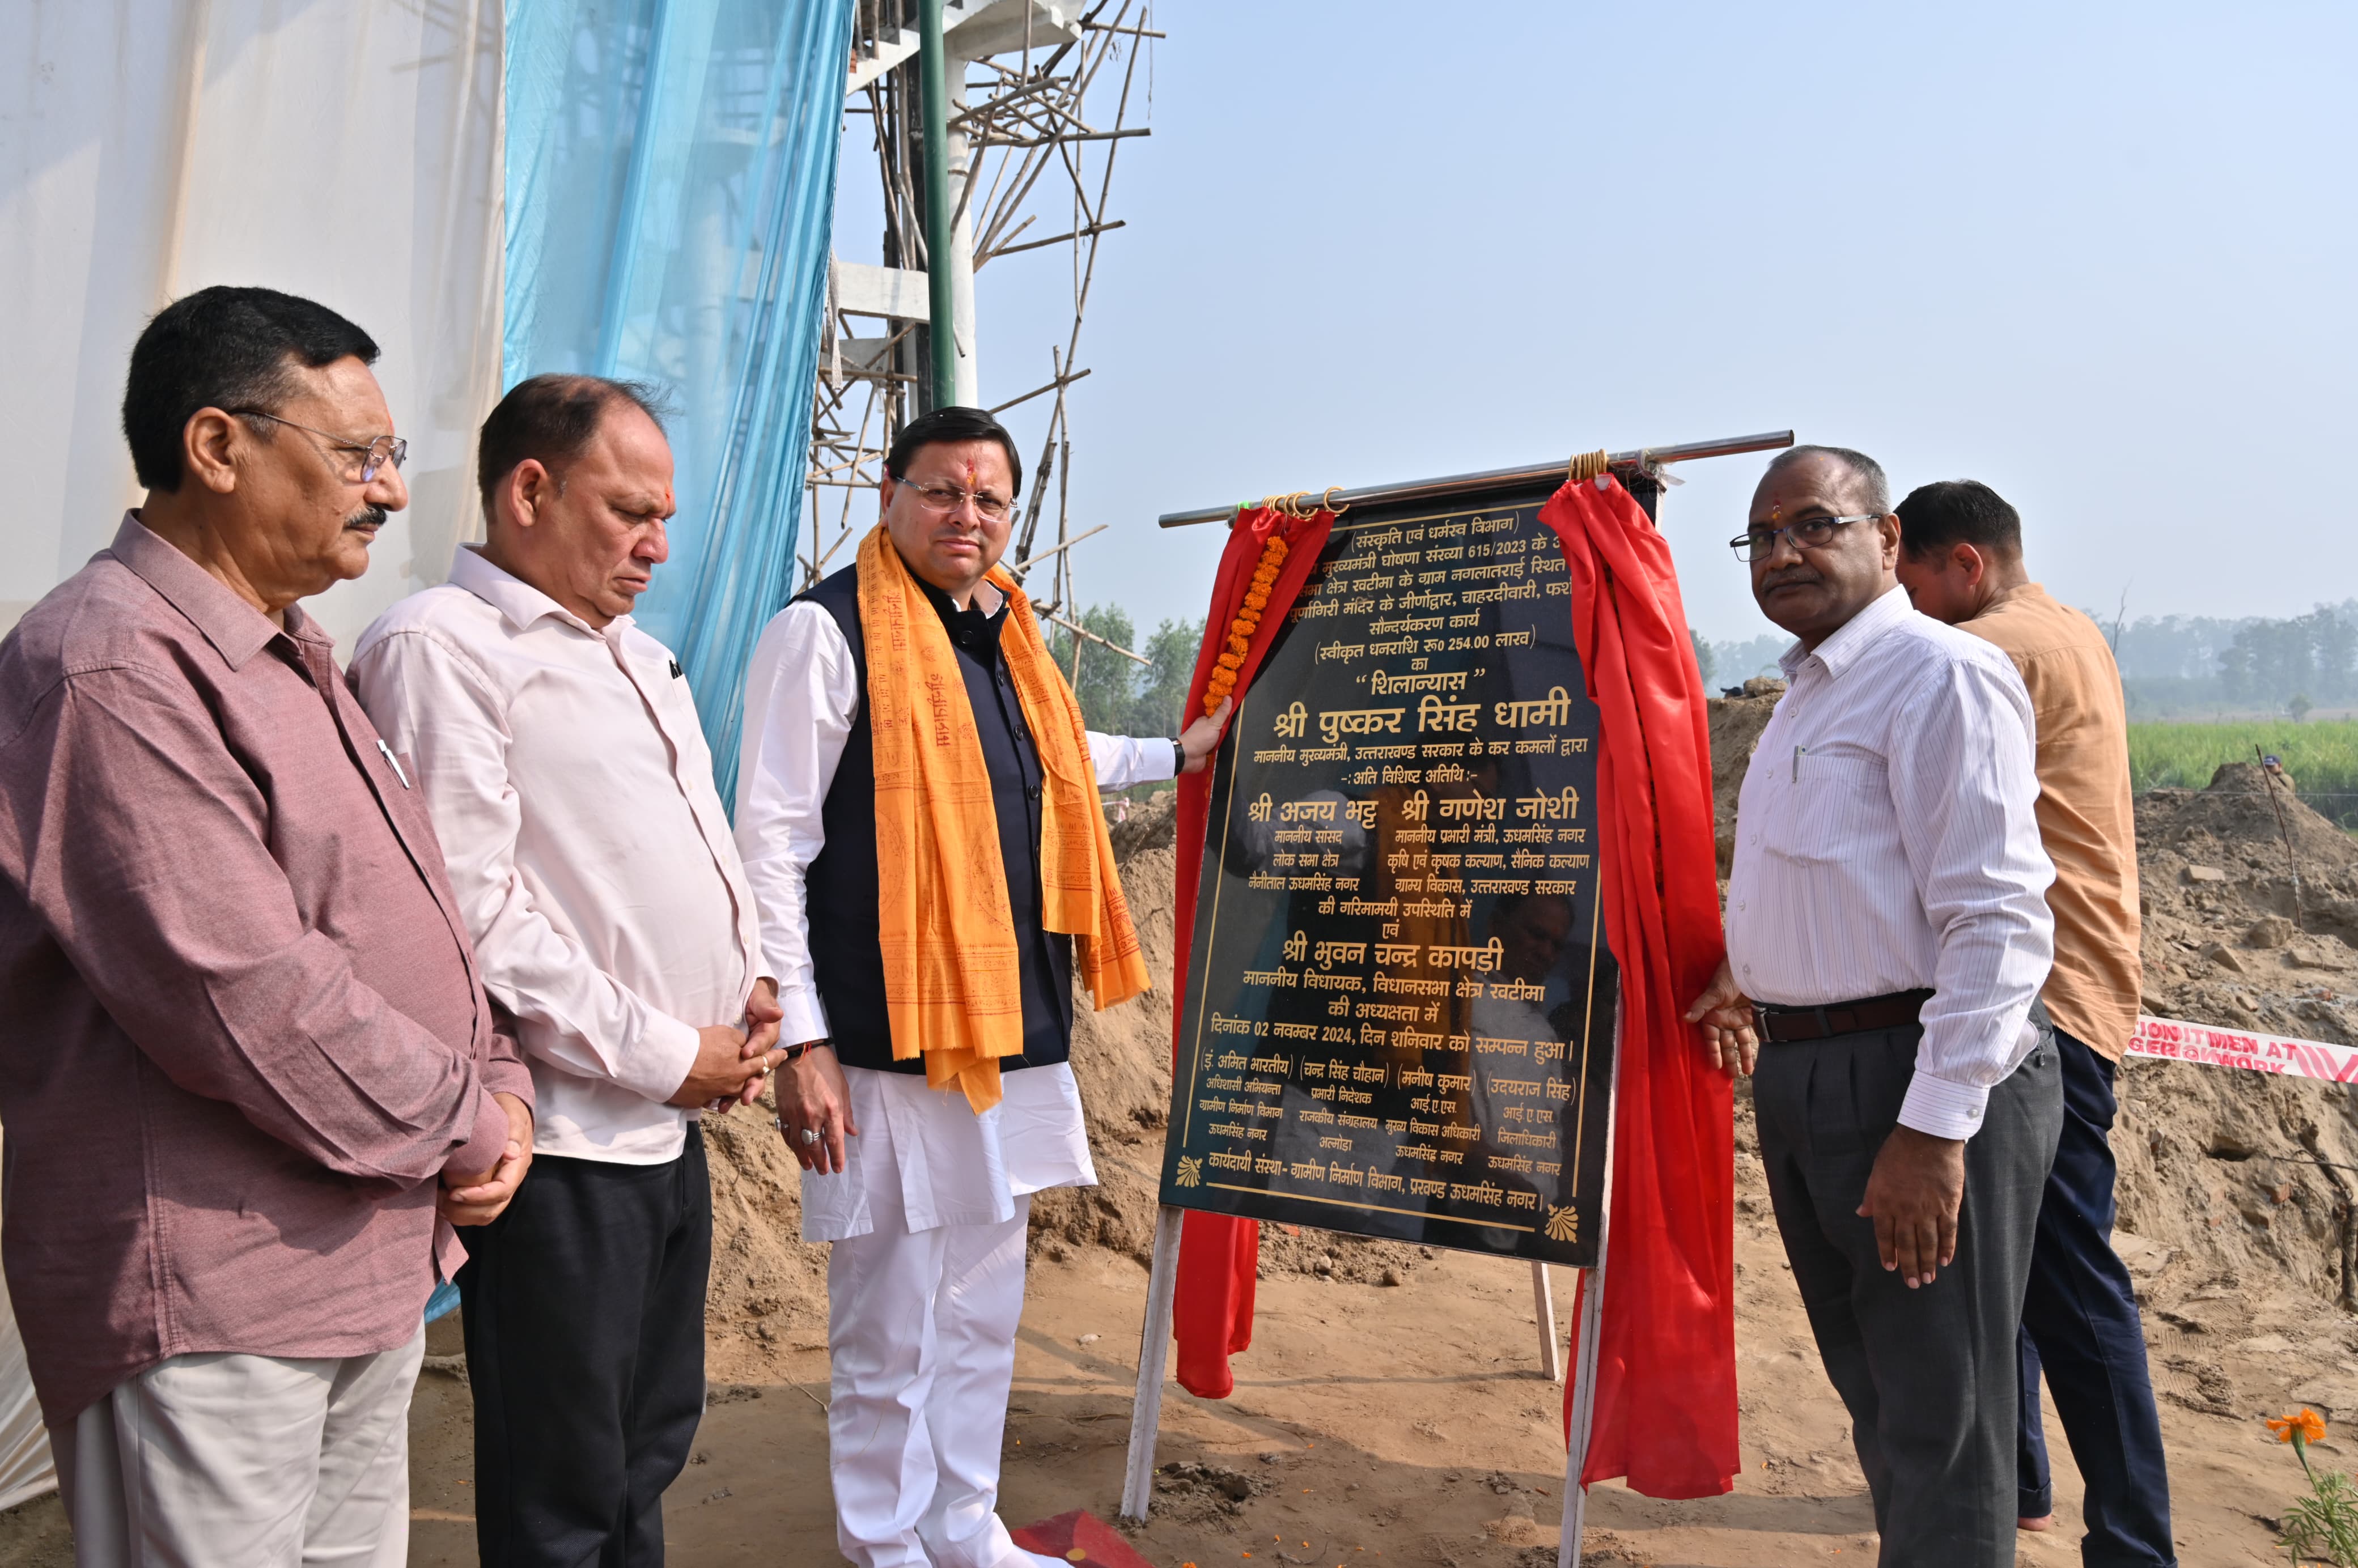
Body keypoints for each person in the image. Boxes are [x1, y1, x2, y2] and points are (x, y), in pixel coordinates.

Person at [0, 285, 533, 1566]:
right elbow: (245, 991)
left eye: (390, 457)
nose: (390, 492)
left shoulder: (291, 649)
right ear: (218, 447)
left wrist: (499, 1075)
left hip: (361, 1257)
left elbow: (409, 908)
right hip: (216, 1293)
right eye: (356, 456)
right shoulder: (112, 663)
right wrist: (470, 1114)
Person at [733, 404, 1228, 1568]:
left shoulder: (1002, 632)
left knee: (978, 1314)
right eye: (944, 491)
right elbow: (769, 841)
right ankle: (882, 1543)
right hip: (883, 1045)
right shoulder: (827, 633)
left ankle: (963, 1529)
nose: (969, 516)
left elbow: (1057, 759)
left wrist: (1182, 749)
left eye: (990, 499)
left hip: (1005, 1033)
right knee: (890, 1327)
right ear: (891, 494)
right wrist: (799, 1035)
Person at [350, 374, 782, 1567]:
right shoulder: (442, 647)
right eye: (629, 511)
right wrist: (664, 1050)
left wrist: (739, 985)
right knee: (563, 1484)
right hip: (564, 1148)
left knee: (645, 1447)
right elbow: (470, 915)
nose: (654, 545)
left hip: (665, 1133)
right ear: (529, 488)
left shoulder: (638, 654)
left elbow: (691, 841)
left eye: (667, 520)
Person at [1685, 445, 2063, 1567]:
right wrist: (1752, 970)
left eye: (1815, 525)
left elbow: (1997, 919)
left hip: (1910, 1081)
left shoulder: (1938, 677)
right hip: (1809, 1077)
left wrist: (1932, 1129)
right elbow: (1856, 881)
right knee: (1885, 1406)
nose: (1784, 552)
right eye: (1761, 537)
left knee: (1942, 1426)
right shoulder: (1809, 692)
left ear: (1887, 539)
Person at [1895, 479, 2172, 1563]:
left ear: (1964, 564)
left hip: (2038, 1006)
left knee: (2064, 1279)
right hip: (2069, 988)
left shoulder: (1990, 655)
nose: (1907, 609)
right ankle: (2018, 1481)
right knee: (1996, 1260)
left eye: (1911, 579)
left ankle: (2136, 1541)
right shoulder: (2067, 627)